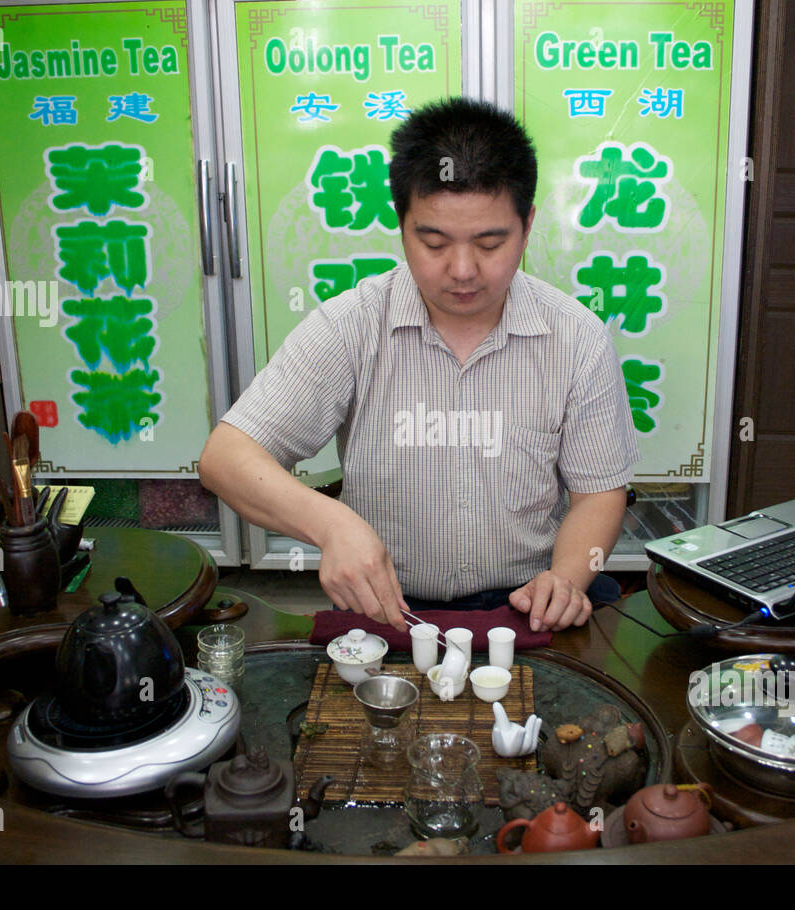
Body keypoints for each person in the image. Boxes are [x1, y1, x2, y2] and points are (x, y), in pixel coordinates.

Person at [199, 97, 638, 633]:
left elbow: (599, 492)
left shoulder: (576, 337)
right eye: (433, 242)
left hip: (522, 607)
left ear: (527, 225)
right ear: (402, 225)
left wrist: (567, 578)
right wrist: (332, 526)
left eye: (490, 242)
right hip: (386, 605)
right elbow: (226, 457)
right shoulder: (353, 325)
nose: (462, 270)